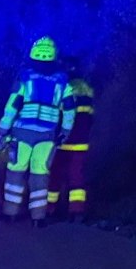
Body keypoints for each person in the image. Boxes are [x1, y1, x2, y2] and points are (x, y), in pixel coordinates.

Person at [0, 37, 73, 225]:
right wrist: (64, 132)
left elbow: (11, 107)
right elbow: (69, 112)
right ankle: (38, 217)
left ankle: (10, 213)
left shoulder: (24, 79)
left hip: (22, 133)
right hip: (48, 135)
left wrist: (2, 131)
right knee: (40, 174)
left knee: (16, 172)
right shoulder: (63, 84)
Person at [53, 69, 96, 221]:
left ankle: (50, 209)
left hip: (62, 142)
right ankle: (76, 211)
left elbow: (57, 117)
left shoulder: (63, 89)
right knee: (76, 177)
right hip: (81, 143)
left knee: (55, 177)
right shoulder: (87, 91)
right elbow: (89, 120)